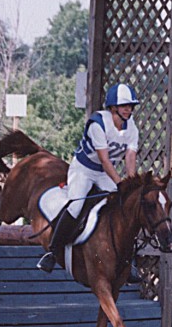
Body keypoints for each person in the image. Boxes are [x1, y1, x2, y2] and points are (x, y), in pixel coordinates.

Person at [37, 83, 140, 273]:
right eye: (124, 105)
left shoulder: (132, 128)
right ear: (113, 107)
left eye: (130, 106)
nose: (129, 109)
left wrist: (131, 184)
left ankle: (129, 261)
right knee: (76, 206)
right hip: (83, 170)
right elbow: (104, 159)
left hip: (103, 174)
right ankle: (52, 251)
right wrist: (120, 183)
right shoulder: (97, 123)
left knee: (123, 206)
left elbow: (130, 158)